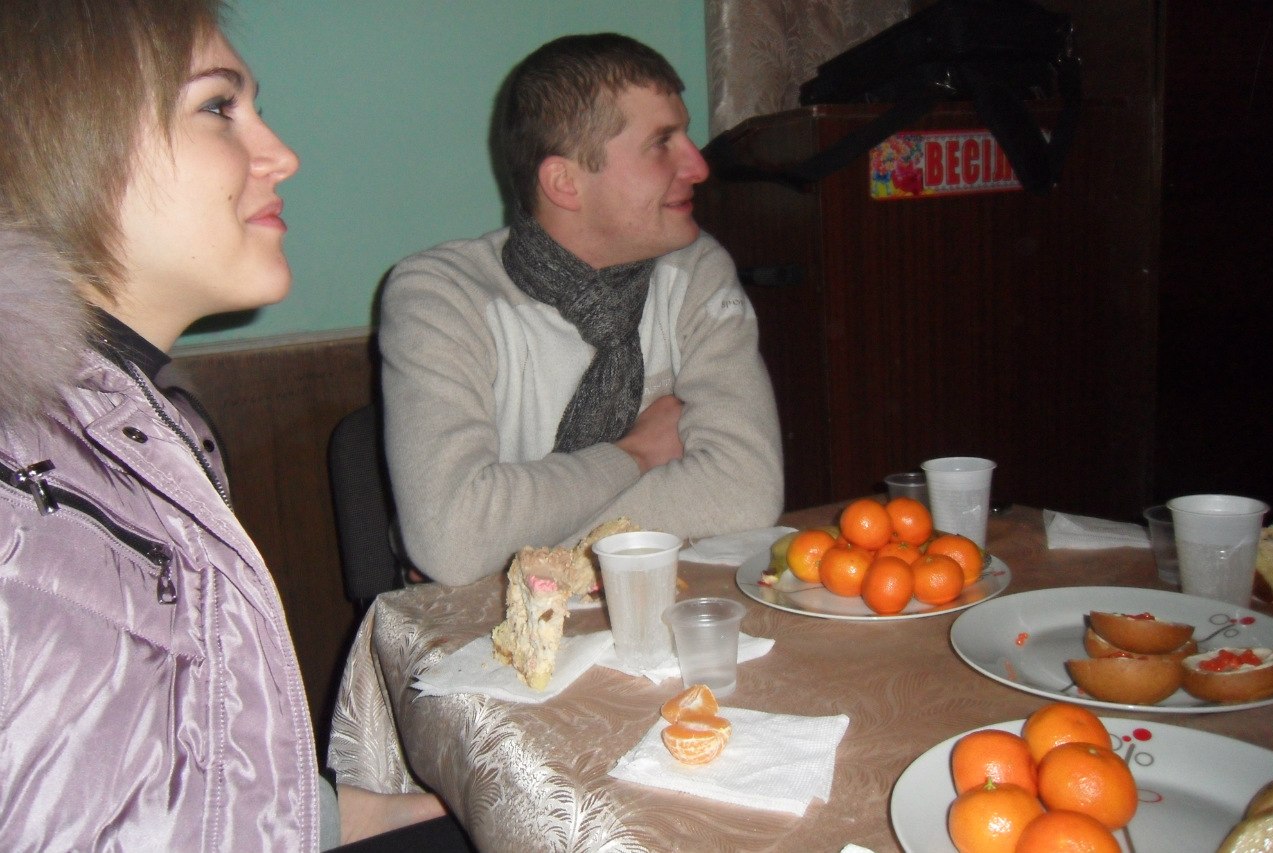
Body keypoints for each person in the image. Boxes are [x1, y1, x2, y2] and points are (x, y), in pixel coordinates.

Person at [1, 3, 467, 849]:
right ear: (68, 142)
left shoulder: (143, 428)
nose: (282, 155)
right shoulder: (21, 488)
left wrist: (427, 809)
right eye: (218, 106)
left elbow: (185, 797)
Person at [378, 33, 784, 587]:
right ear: (565, 183)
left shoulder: (695, 270)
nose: (697, 165)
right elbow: (454, 539)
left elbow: (745, 492)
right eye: (662, 143)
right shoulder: (441, 296)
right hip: (485, 628)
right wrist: (634, 456)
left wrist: (510, 548)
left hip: (656, 601)